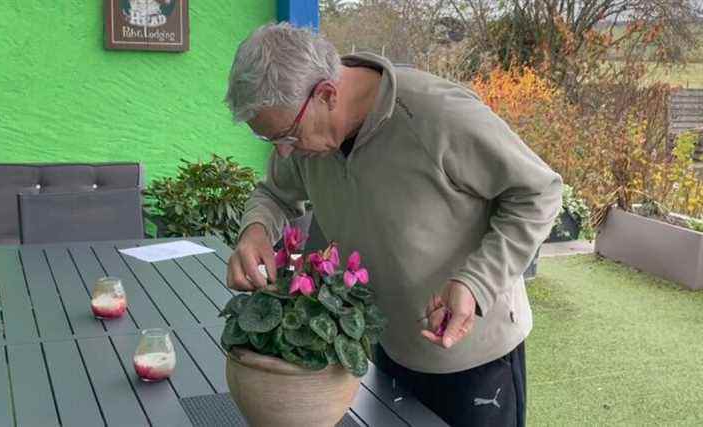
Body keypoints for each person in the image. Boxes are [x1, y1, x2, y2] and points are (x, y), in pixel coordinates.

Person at [223, 22, 562, 427]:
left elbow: (539, 192)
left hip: (474, 358)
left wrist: (476, 282)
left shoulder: (436, 115)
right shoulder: (306, 130)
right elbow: (274, 194)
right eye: (271, 140)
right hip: (386, 347)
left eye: (288, 136)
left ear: (327, 95)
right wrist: (256, 230)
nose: (283, 152)